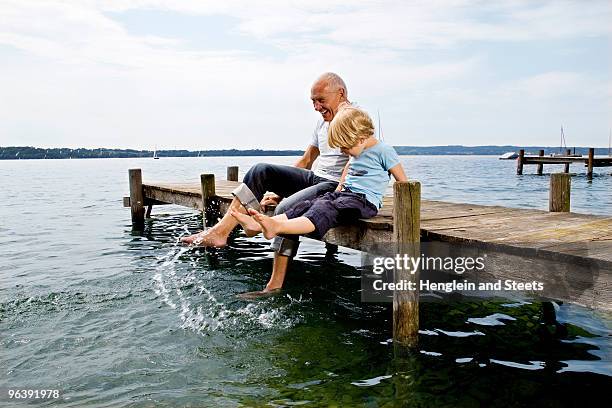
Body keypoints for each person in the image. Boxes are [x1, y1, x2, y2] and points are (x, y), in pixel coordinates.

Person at [181, 73, 353, 288]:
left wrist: (338, 192)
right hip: (315, 178)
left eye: (321, 100)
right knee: (260, 170)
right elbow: (307, 160)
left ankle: (274, 284)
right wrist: (280, 189)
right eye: (313, 101)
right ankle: (221, 231)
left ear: (341, 93)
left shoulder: (354, 119)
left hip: (333, 185)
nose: (317, 107)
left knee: (286, 208)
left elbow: (358, 160)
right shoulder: (322, 123)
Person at [230, 107, 407, 297]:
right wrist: (338, 191)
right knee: (310, 204)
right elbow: (347, 172)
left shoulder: (384, 151)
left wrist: (402, 211)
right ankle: (261, 226)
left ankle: (274, 226)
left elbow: (403, 183)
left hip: (363, 202)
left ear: (361, 138)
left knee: (325, 209)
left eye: (345, 147)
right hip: (345, 195)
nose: (342, 150)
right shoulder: (356, 150)